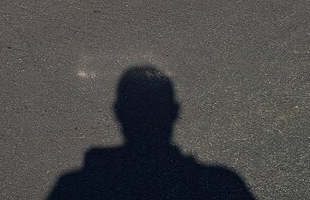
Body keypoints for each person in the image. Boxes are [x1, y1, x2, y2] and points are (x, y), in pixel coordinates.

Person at [46, 66, 256, 200]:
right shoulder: (220, 187)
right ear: (174, 112)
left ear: (119, 112)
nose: (146, 117)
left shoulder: (76, 189)